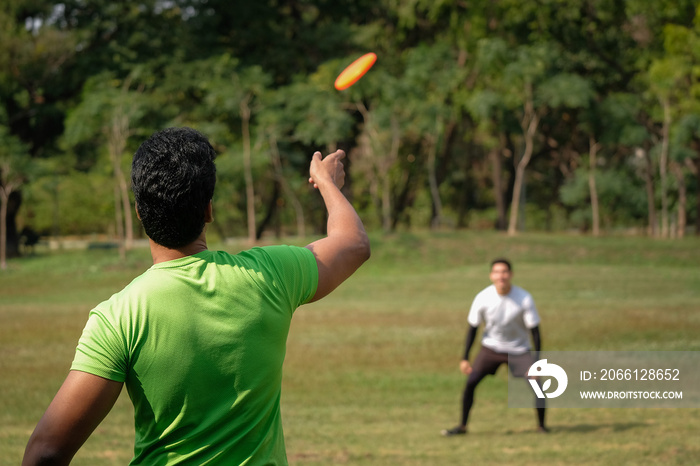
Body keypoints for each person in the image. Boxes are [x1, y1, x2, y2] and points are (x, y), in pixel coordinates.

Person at [22, 127, 370, 465]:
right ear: (208, 210)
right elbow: (353, 244)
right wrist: (327, 183)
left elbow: (47, 452)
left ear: (140, 213)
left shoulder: (119, 317)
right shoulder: (269, 275)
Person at [441, 258, 546, 436]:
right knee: (471, 382)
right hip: (491, 348)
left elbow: (535, 331)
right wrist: (465, 358)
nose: (501, 276)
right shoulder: (483, 298)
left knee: (537, 386)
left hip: (519, 350)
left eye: (504, 272)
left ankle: (542, 426)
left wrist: (536, 362)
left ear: (511, 274)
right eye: (497, 272)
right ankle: (462, 426)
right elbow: (472, 329)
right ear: (491, 276)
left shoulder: (524, 298)